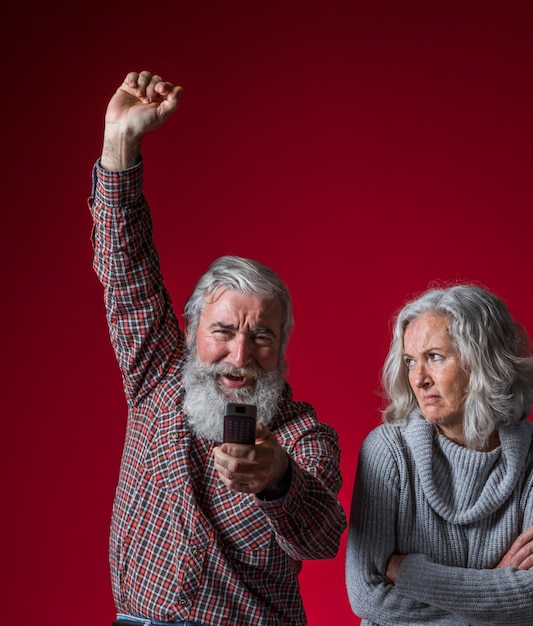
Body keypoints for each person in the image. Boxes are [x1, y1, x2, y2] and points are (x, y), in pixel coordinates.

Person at [89, 70, 347, 626]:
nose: (239, 355)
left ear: (280, 352)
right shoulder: (156, 376)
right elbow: (125, 265)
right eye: (224, 331)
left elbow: (324, 534)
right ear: (189, 333)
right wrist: (120, 143)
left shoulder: (304, 439)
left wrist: (278, 476)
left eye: (261, 338)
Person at [345, 284, 533, 625]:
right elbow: (367, 595)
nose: (418, 379)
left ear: (484, 359)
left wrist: (410, 573)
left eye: (435, 357)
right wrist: (497, 589)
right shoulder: (387, 451)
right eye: (410, 361)